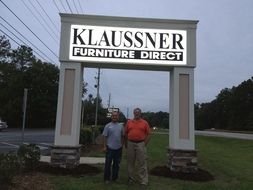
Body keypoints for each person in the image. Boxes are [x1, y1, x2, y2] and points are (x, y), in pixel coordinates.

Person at [125, 108, 151, 186]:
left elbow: (149, 134)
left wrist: (144, 143)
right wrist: (126, 143)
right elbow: (125, 133)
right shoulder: (129, 122)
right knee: (130, 162)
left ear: (140, 114)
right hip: (130, 143)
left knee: (142, 162)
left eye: (138, 113)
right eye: (135, 113)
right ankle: (131, 178)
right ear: (133, 113)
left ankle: (143, 180)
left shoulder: (144, 123)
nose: (136, 114)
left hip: (140, 143)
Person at [102, 111, 124, 183]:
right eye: (113, 116)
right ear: (111, 117)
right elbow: (105, 137)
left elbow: (122, 136)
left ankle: (115, 178)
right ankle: (107, 179)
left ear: (118, 117)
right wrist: (105, 146)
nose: (115, 117)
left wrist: (122, 145)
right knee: (108, 164)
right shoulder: (107, 126)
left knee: (116, 164)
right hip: (110, 148)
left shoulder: (121, 126)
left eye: (116, 116)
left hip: (118, 148)